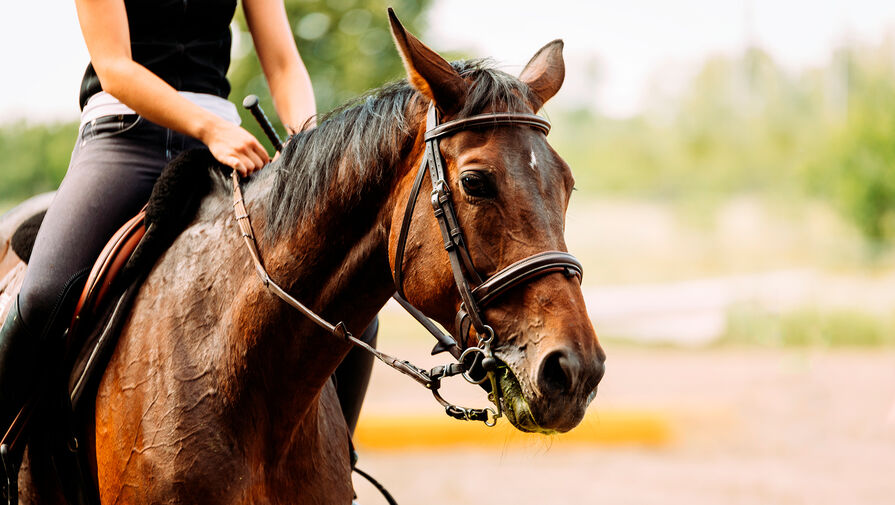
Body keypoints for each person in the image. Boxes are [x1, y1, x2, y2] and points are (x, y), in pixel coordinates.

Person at [0, 0, 376, 480]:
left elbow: (283, 64)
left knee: (350, 305)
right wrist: (209, 128)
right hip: (126, 135)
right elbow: (114, 67)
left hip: (224, 146)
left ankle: (335, 465)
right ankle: (10, 459)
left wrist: (312, 148)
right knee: (43, 295)